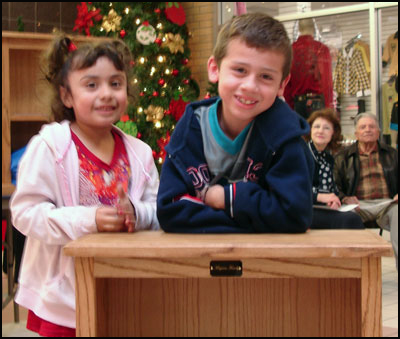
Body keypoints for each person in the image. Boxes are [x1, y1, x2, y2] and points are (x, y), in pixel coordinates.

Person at [10, 35, 159, 336]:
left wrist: (136, 213)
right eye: (91, 85)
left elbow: (158, 209)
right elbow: (25, 213)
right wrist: (89, 219)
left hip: (125, 289)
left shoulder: (140, 153)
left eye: (115, 84)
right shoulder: (50, 146)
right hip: (63, 298)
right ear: (67, 96)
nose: (106, 94)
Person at [157, 13, 314, 233]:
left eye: (266, 77)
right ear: (214, 69)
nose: (250, 86)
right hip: (200, 257)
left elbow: (294, 215)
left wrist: (227, 199)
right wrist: (255, 219)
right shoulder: (190, 130)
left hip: (269, 260)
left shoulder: (285, 138)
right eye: (240, 70)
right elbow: (170, 211)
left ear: (282, 84)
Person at [334, 113, 398, 268]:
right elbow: (334, 185)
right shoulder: (343, 157)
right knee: (346, 217)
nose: (368, 130)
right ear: (356, 133)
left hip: (388, 204)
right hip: (358, 205)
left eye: (372, 126)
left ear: (378, 132)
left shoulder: (392, 154)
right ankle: (352, 270)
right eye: (363, 127)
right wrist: (344, 198)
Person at [304, 109, 364, 229]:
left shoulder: (329, 159)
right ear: (310, 130)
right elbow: (293, 188)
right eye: (316, 127)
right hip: (304, 208)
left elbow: (332, 189)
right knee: (352, 220)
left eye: (326, 128)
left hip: (323, 207)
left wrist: (338, 199)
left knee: (354, 215)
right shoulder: (301, 154)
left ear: (333, 133)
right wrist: (320, 197)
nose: (320, 131)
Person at [283, 18, 333, 119]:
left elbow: (287, 83)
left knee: (300, 134)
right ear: (314, 29)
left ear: (299, 29)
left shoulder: (290, 50)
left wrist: (290, 106)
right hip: (317, 101)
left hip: (297, 103)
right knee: (318, 133)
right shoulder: (321, 49)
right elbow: (326, 81)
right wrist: (328, 105)